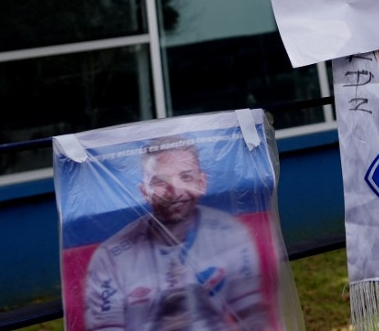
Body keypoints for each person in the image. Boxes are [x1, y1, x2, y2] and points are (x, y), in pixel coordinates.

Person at [84, 138, 270, 330]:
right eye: (160, 181)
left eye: (186, 177)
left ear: (202, 182)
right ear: (144, 191)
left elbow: (252, 315)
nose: (175, 191)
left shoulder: (231, 234)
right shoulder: (110, 258)